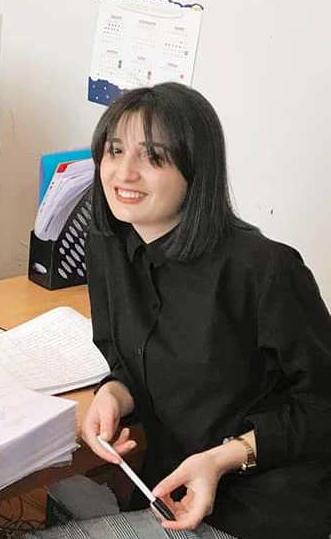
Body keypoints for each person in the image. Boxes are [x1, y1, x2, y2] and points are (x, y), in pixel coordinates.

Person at [27, 83, 331, 539]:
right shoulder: (109, 243)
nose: (124, 173)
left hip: (264, 506)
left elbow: (323, 406)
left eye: (153, 157)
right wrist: (114, 395)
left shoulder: (263, 269)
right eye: (115, 151)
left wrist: (224, 459)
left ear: (195, 171)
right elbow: (125, 358)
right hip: (169, 491)